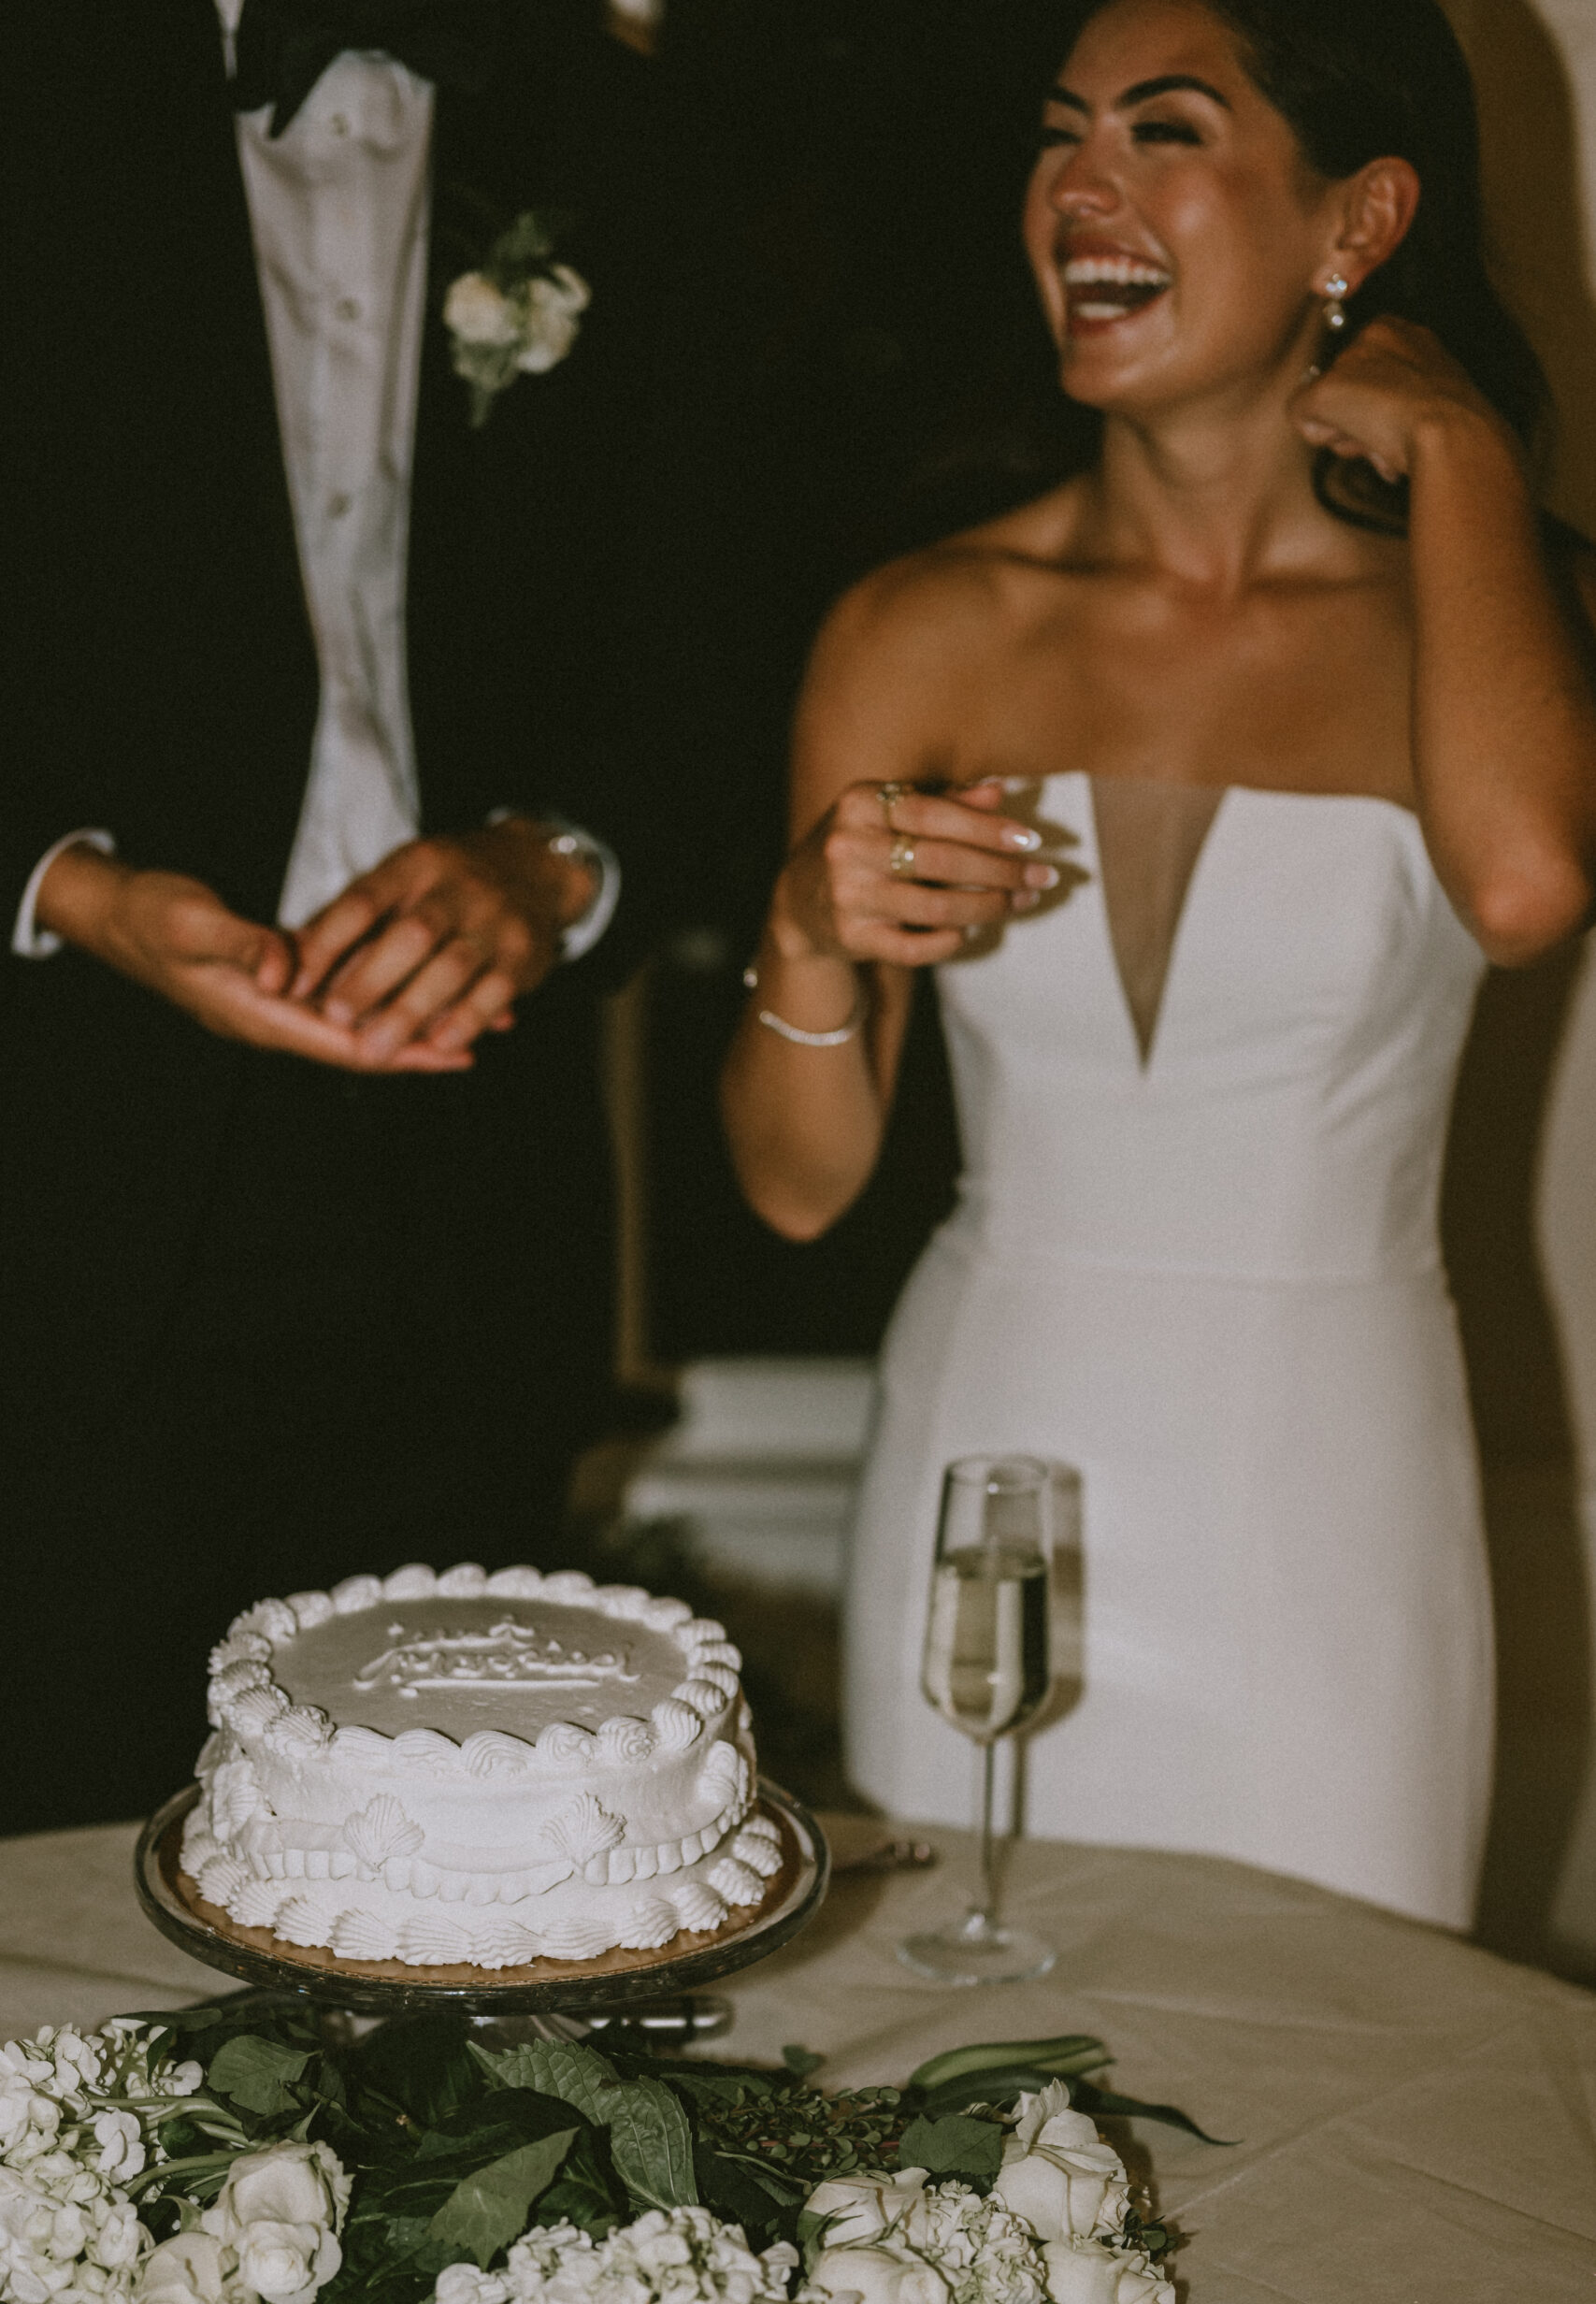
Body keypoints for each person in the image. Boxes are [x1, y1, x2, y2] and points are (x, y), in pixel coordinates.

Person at [720, 0, 1596, 1927]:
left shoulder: (1479, 616)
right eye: (1055, 133)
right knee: (954, 2089)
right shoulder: (918, 622)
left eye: (1163, 130)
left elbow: (1526, 888)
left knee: (1337, 2103)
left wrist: (1451, 447)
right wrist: (802, 926)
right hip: (984, 1469)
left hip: (1325, 1486)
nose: (1077, 188)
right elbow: (796, 1184)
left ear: (1351, 216)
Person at [0, 0, 708, 1833]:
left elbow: (730, 634)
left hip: (469, 1208)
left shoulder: (609, 135)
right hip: (53, 1185)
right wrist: (76, 890)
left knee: (441, 1907)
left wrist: (561, 863)